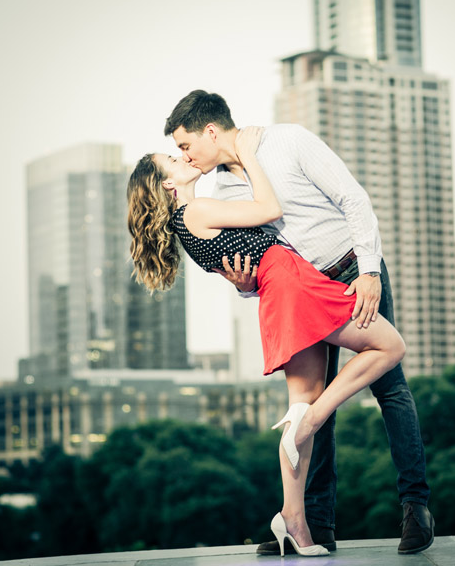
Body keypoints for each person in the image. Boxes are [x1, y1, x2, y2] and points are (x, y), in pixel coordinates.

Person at [164, 90, 435, 555]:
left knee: (389, 387)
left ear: (210, 131)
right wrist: (242, 284)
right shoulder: (220, 191)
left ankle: (416, 507)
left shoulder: (288, 141)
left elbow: (353, 198)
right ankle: (318, 527)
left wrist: (370, 270)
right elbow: (259, 259)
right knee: (314, 405)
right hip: (306, 290)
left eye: (186, 145)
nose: (185, 155)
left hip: (352, 268)